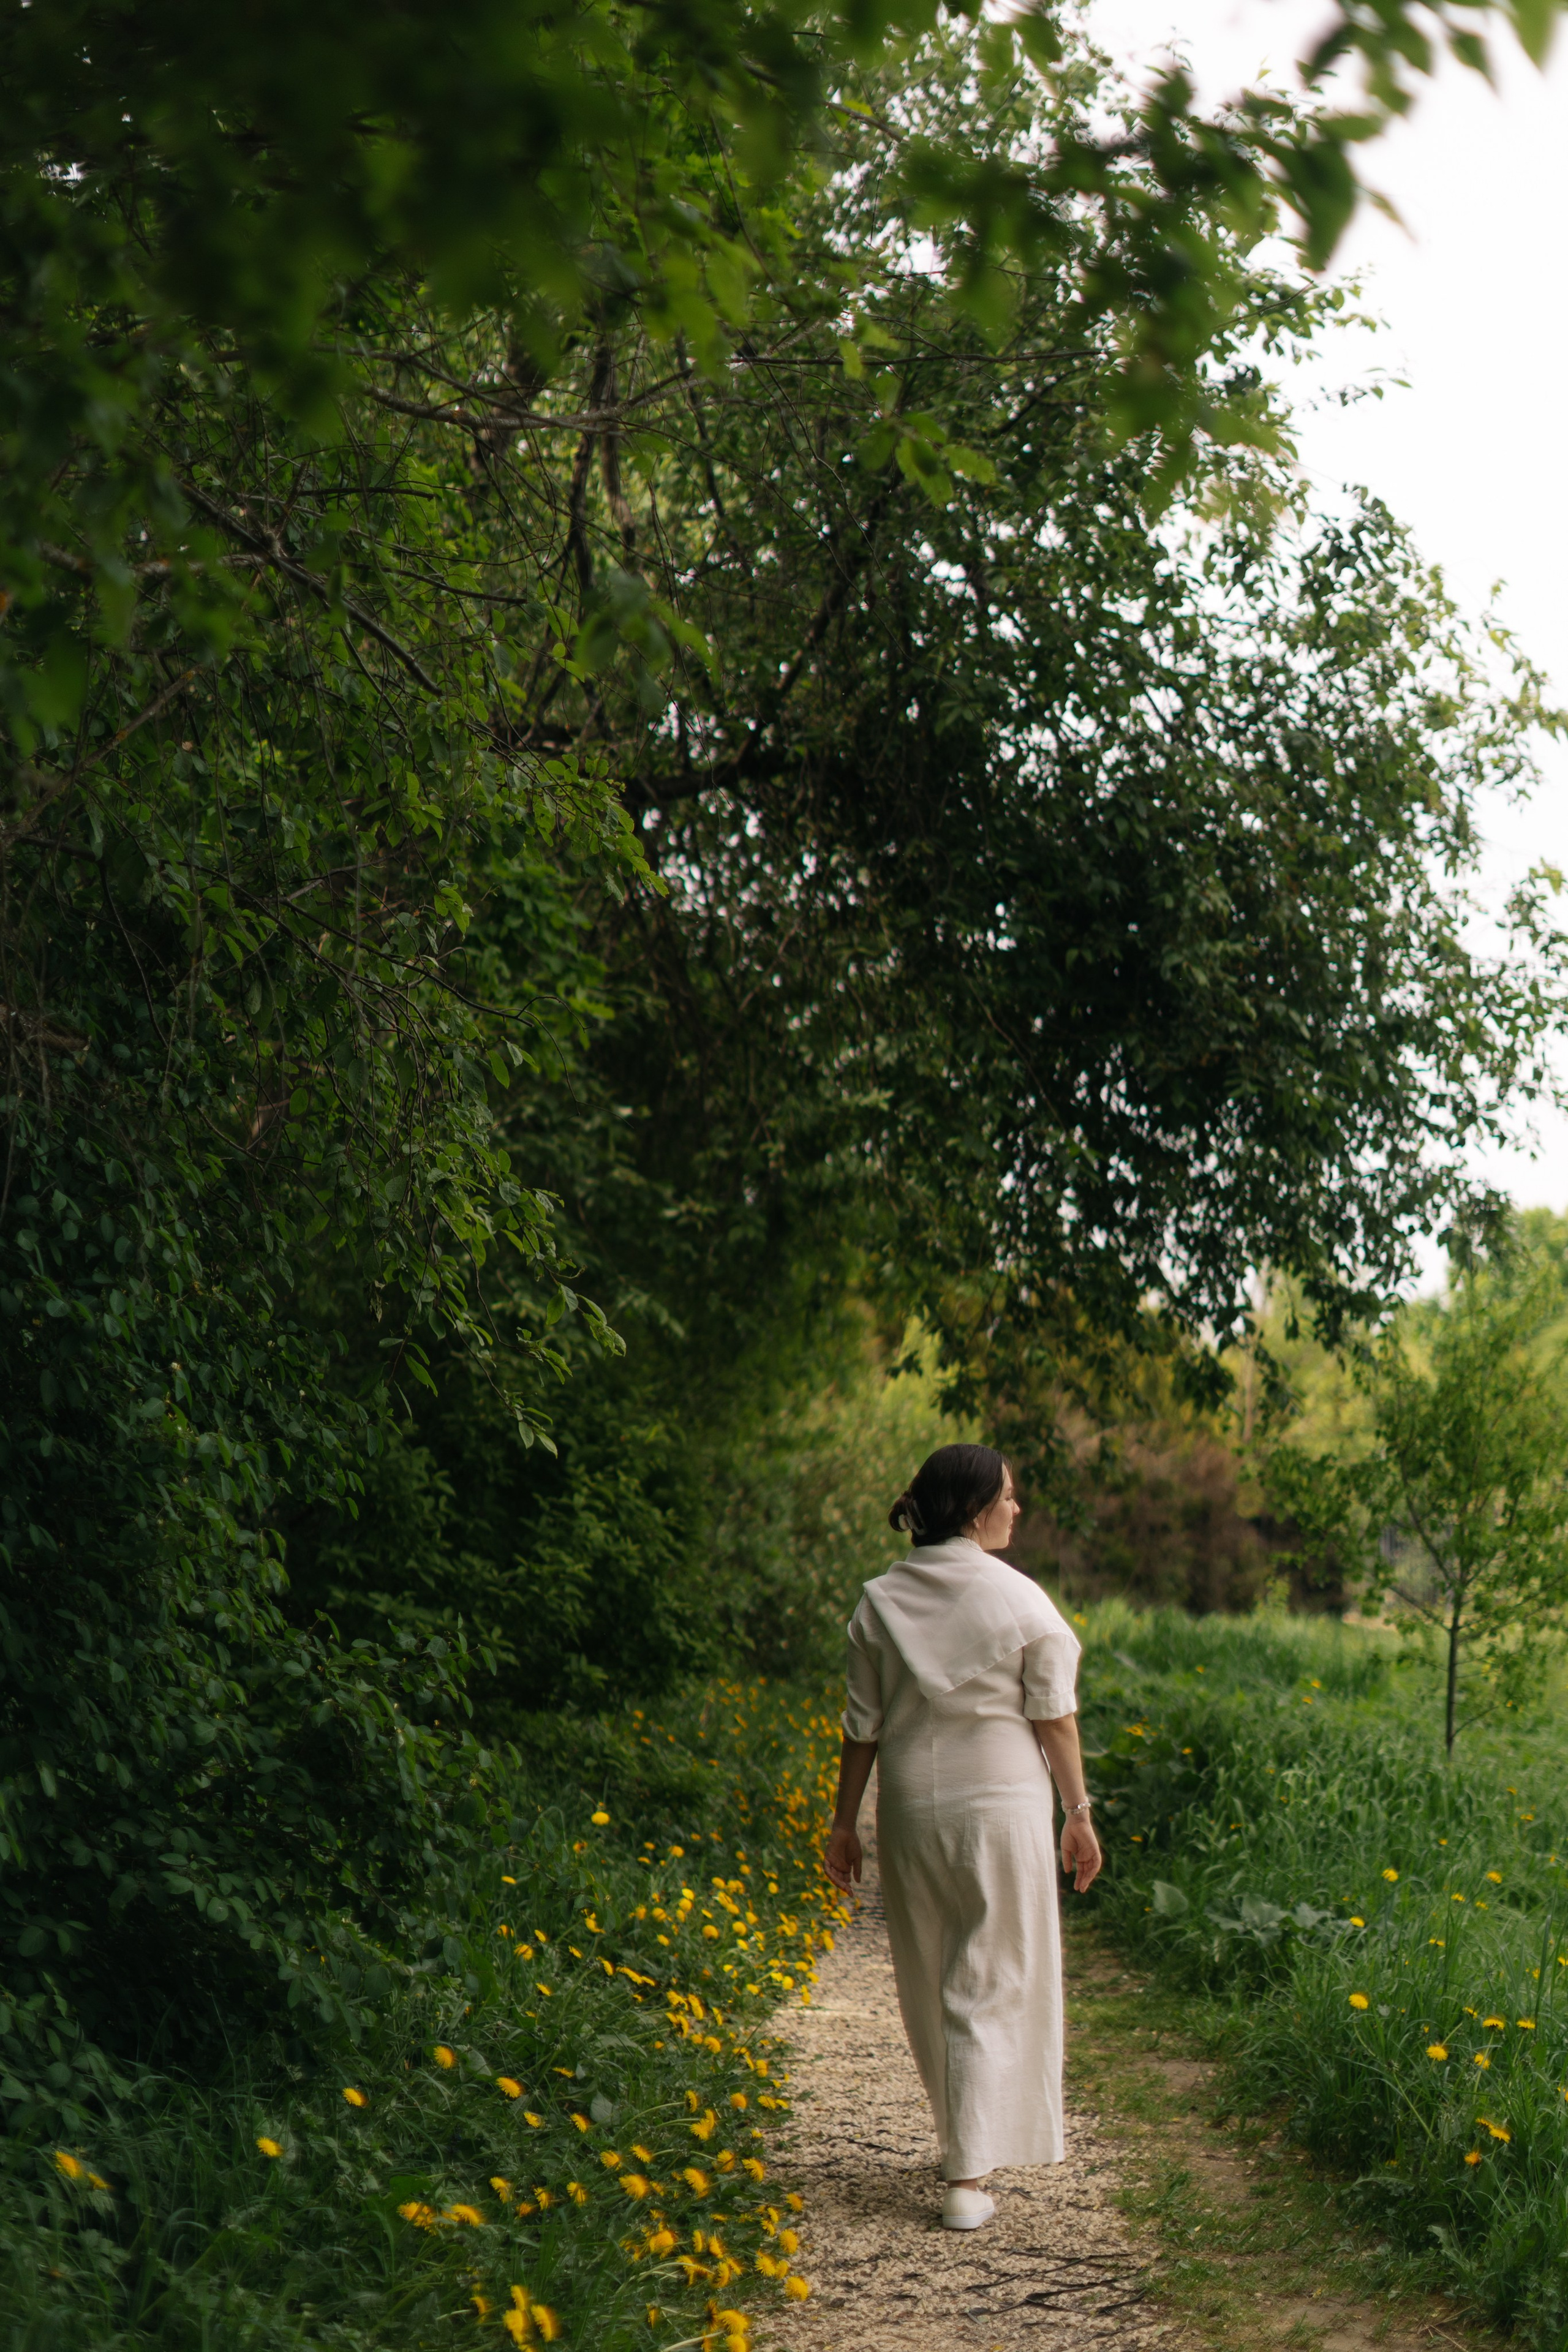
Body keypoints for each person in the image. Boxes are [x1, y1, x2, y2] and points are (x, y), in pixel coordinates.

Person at [822, 1442, 1101, 2231]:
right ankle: (967, 2177)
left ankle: (961, 2138)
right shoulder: (1020, 1601)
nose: (1017, 1509)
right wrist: (1078, 1813)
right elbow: (1054, 1718)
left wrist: (844, 1823)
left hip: (911, 1809)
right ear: (975, 1511)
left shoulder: (880, 1602)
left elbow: (860, 1726)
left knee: (930, 1974)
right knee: (990, 1977)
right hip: (1001, 1809)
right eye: (1008, 1496)